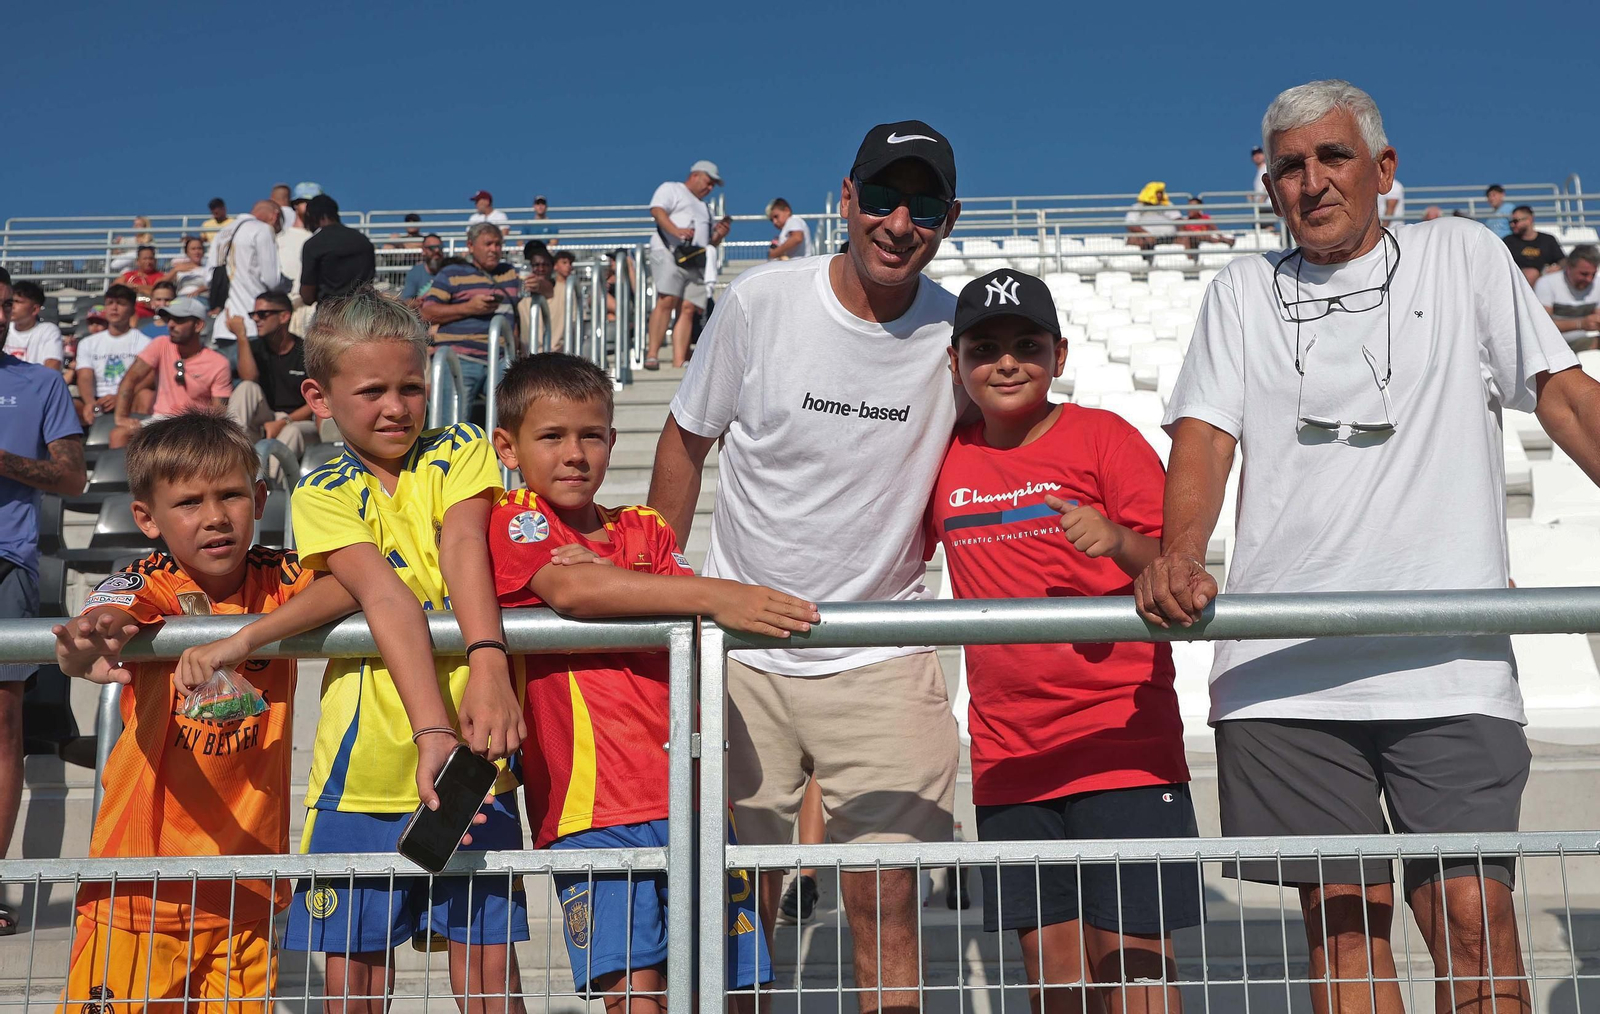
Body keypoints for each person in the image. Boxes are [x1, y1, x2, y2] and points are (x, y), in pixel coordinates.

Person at [1136, 79, 1600, 1014]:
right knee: (1343, 939)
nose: (1311, 182)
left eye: (1332, 157)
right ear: (1269, 188)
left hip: (1448, 663)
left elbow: (1561, 394)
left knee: (1476, 923)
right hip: (1285, 669)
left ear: (1384, 169)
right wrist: (1179, 549)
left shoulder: (1463, 257)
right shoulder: (1238, 292)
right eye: (1289, 167)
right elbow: (1205, 436)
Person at [648, 120, 965, 1013]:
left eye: (926, 204)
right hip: (743, 656)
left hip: (882, 654)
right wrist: (666, 597)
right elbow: (684, 442)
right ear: (847, 199)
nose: (901, 222)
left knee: (888, 904)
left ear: (949, 217)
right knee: (737, 917)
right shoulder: (762, 303)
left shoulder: (957, 332)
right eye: (884, 198)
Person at [488, 353, 803, 1007]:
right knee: (635, 995)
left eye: (592, 435)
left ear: (612, 439)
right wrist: (687, 593)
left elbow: (682, 620)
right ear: (508, 447)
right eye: (551, 437)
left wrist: (622, 588)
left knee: (738, 988)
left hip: (692, 797)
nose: (574, 454)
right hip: (591, 809)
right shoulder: (514, 518)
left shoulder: (645, 526)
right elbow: (573, 590)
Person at [935, 269, 1198, 1013]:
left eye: (1028, 345)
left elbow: (1177, 568)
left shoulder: (1104, 437)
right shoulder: (946, 456)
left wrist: (1115, 539)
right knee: (1053, 978)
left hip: (1123, 746)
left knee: (1136, 971)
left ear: (1061, 354)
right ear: (956, 363)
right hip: (1011, 755)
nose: (1008, 362)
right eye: (985, 348)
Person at [49, 412, 357, 1014]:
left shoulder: (278, 579)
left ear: (261, 497)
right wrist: (94, 636)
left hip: (248, 887)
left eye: (232, 495)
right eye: (188, 503)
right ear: (146, 519)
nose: (215, 517)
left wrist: (242, 640)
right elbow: (108, 615)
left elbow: (350, 585)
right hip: (139, 890)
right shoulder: (151, 578)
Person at [283, 287, 528, 1011]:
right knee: (355, 985)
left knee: (487, 980)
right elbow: (385, 595)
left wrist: (487, 662)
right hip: (360, 775)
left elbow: (462, 545)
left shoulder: (460, 448)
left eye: (411, 386)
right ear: (318, 397)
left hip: (477, 762)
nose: (396, 406)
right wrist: (432, 733)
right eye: (372, 391)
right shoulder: (319, 490)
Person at [0, 269, 86, 938]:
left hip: (9, 559)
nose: (0, 317)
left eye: (4, 307)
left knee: (3, 728)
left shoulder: (40, 382)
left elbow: (72, 474)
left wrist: (4, 461)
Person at [421, 222, 521, 410]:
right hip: (460, 359)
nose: (494, 249)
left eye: (498, 244)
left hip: (501, 361)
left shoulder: (510, 273)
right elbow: (427, 313)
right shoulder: (451, 273)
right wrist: (470, 308)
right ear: (470, 246)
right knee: (452, 426)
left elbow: (518, 313)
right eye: (488, 244)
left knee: (509, 423)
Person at [110, 297, 232, 448]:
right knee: (118, 434)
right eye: (169, 319)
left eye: (179, 320)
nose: (171, 325)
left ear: (198, 325)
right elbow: (131, 377)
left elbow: (219, 413)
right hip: (161, 420)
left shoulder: (218, 363)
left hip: (196, 428)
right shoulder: (160, 344)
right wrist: (121, 417)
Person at [644, 160, 721, 370]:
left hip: (695, 261)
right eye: (709, 181)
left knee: (688, 308)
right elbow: (657, 211)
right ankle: (652, 354)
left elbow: (708, 242)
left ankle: (679, 360)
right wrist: (676, 230)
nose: (710, 187)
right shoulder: (672, 189)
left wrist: (719, 236)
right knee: (667, 300)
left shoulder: (706, 208)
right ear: (696, 175)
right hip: (669, 252)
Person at [225, 292, 318, 453]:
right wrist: (241, 337)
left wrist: (284, 422)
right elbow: (249, 378)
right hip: (266, 418)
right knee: (246, 387)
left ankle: (268, 478)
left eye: (262, 314)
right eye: (253, 314)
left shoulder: (306, 352)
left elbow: (317, 399)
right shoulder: (253, 348)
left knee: (291, 432)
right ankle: (230, 453)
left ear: (284, 316)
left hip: (298, 421)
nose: (255, 319)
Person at [206, 199, 284, 343]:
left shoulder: (222, 233)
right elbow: (272, 281)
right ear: (275, 216)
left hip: (223, 326)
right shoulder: (263, 229)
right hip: (252, 323)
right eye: (278, 228)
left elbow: (209, 278)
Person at [75, 286, 151, 425]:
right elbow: (84, 376)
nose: (114, 308)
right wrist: (90, 402)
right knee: (69, 405)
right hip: (97, 400)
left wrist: (120, 398)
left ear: (132, 310)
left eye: (121, 304)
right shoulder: (88, 343)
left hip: (130, 398)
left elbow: (146, 379)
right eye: (110, 303)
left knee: (146, 396)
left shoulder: (145, 342)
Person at [299, 194, 377, 307]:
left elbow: (307, 296)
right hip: (362, 312)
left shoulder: (314, 244)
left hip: (330, 315)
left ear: (312, 216)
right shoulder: (363, 241)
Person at [1533, 243, 1600, 349]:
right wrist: (1580, 324)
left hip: (1585, 341)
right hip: (1553, 345)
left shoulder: (1597, 284)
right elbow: (1542, 326)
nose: (1589, 279)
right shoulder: (1547, 283)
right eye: (1584, 274)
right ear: (1569, 268)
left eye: (1593, 274)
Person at [5, 281, 65, 370]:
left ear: (35, 309)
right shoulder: (3, 328)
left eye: (17, 302)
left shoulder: (48, 331)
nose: (12, 306)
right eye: (10, 301)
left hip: (36, 383)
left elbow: (53, 366)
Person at [1505, 205, 1566, 286]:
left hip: (1545, 282)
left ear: (1529, 219)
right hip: (1517, 282)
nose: (1512, 225)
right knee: (1531, 274)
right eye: (1511, 222)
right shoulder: (1508, 242)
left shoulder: (1548, 240)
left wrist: (1557, 267)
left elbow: (1563, 260)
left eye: (1516, 221)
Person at [277, 185, 319, 300]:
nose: (311, 207)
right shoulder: (279, 239)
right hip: (285, 303)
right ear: (295, 204)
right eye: (306, 202)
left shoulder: (320, 239)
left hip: (309, 305)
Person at [517, 241, 559, 352]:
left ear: (552, 266)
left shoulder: (565, 290)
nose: (541, 269)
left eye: (545, 264)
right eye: (536, 265)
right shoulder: (520, 294)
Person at [1125, 182, 1182, 250]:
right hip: (1145, 238)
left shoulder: (1167, 205)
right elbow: (1130, 224)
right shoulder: (1137, 207)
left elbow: (1178, 219)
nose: (1160, 195)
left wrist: (1180, 233)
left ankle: (1188, 259)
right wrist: (1146, 235)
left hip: (1169, 238)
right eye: (1158, 193)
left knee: (1185, 238)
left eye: (1161, 193)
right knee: (1133, 239)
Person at [116, 246, 166, 319]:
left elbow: (157, 292)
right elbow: (114, 287)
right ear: (138, 261)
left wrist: (134, 287)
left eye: (151, 258)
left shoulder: (161, 276)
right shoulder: (128, 275)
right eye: (145, 258)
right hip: (126, 309)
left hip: (148, 311)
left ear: (155, 260)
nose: (148, 262)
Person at [401, 234, 445, 307]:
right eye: (432, 248)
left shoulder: (450, 271)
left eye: (439, 247)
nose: (437, 251)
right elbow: (406, 300)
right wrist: (418, 303)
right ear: (423, 250)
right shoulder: (415, 272)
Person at [165, 236, 210, 301]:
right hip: (181, 298)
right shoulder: (179, 269)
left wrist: (199, 291)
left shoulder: (208, 269)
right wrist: (175, 270)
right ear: (187, 252)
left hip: (201, 298)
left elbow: (212, 284)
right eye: (193, 249)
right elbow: (159, 284)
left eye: (199, 248)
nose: (197, 252)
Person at [1248, 145, 1270, 219]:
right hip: (1261, 207)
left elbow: (1269, 184)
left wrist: (1261, 199)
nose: (1257, 156)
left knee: (1267, 226)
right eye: (1254, 154)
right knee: (1258, 226)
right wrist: (1253, 197)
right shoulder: (1258, 174)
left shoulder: (1266, 168)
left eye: (1259, 153)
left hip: (1267, 204)